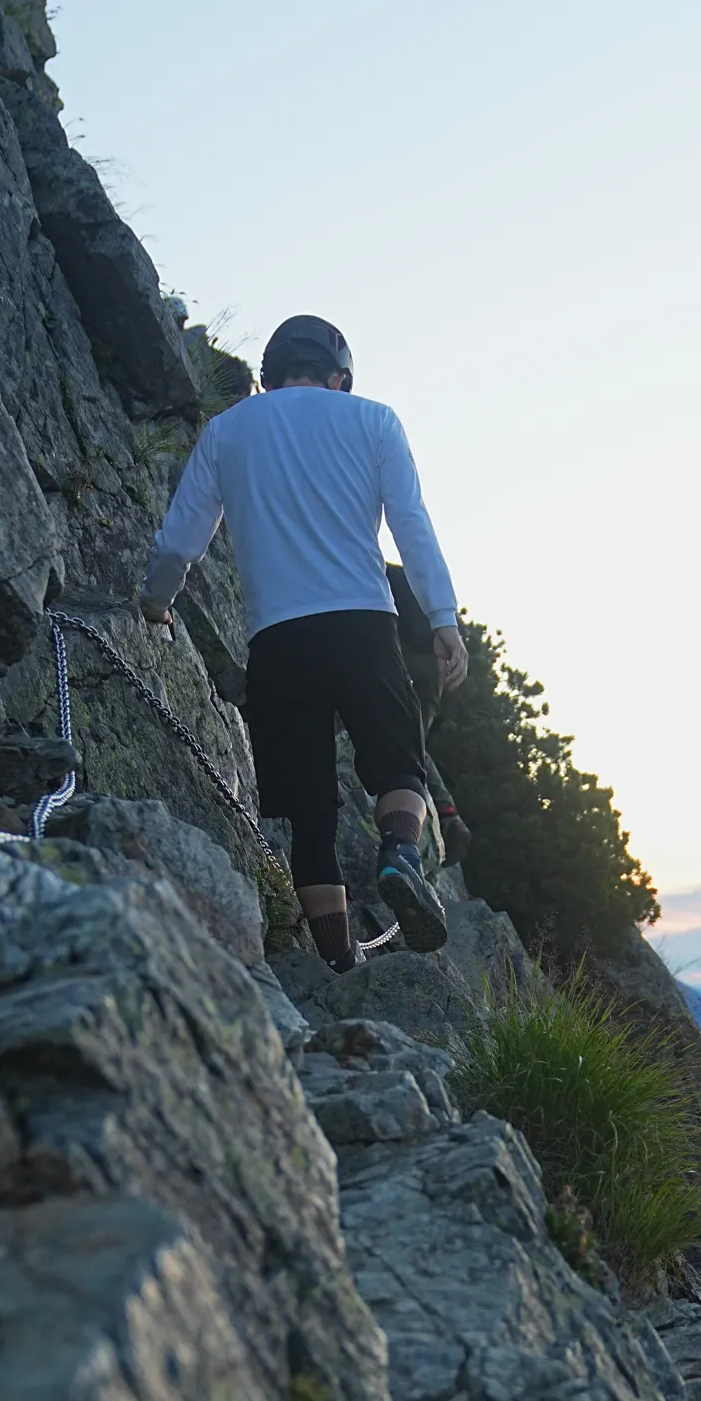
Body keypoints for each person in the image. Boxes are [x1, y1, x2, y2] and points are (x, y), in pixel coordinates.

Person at [138, 315, 467, 971]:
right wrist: (441, 618)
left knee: (309, 812)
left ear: (269, 374)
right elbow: (410, 523)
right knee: (399, 767)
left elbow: (180, 541)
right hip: (363, 627)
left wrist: (155, 604)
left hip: (278, 640)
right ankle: (401, 851)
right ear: (339, 377)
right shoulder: (373, 421)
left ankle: (340, 961)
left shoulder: (228, 429)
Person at [388, 560, 472, 866]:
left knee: (408, 744)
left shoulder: (380, 574)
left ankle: (432, 820)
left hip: (406, 661)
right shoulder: (423, 588)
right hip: (436, 672)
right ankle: (449, 816)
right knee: (414, 741)